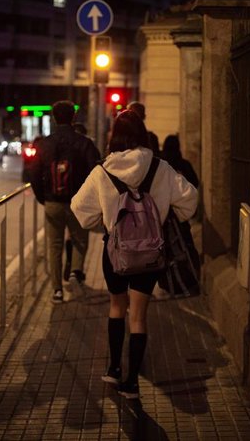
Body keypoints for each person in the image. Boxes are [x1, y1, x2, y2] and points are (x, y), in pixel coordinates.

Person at [71, 110, 198, 399]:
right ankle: (132, 383)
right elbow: (190, 200)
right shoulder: (160, 167)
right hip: (152, 252)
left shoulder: (103, 171)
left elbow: (80, 210)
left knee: (117, 307)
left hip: (115, 253)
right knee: (139, 316)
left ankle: (114, 369)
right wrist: (166, 214)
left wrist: (105, 223)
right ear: (142, 134)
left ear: (114, 136)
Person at [31, 101, 101, 303]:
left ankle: (57, 291)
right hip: (78, 203)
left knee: (54, 245)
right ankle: (75, 272)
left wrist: (43, 198)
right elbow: (95, 172)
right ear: (73, 118)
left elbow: (34, 174)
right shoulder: (84, 143)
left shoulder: (44, 144)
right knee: (80, 239)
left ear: (54, 118)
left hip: (53, 202)